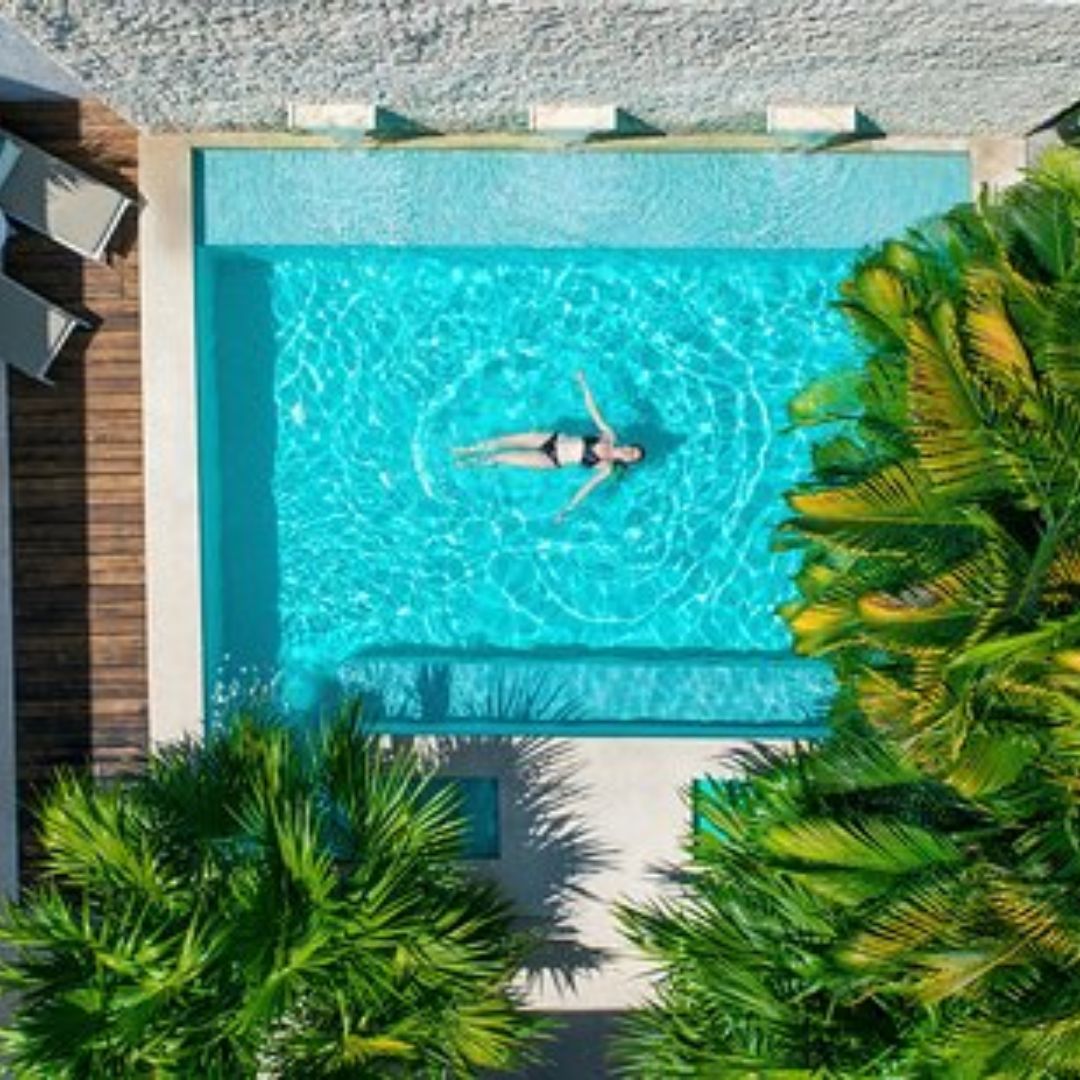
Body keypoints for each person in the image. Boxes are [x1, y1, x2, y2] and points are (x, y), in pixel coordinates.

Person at [454, 370, 646, 521]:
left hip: (551, 460)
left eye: (632, 456)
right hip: (553, 439)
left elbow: (586, 488)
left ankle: (468, 463)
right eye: (633, 449)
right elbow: (594, 412)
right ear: (629, 444)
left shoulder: (606, 467)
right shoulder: (609, 436)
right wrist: (584, 385)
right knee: (507, 440)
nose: (629, 452)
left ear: (627, 462)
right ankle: (467, 450)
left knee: (502, 457)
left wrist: (567, 510)